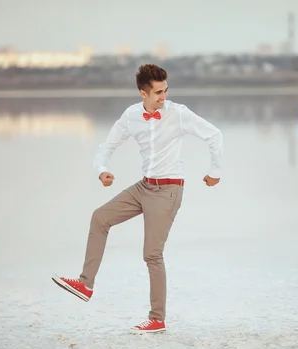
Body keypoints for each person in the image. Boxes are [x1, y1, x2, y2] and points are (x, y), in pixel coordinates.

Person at [52, 64, 223, 334]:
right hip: (144, 187)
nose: (163, 97)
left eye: (166, 90)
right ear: (142, 93)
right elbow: (107, 146)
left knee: (152, 255)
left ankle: (157, 319)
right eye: (157, 92)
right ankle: (85, 284)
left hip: (168, 190)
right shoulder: (131, 115)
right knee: (100, 217)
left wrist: (215, 172)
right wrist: (102, 170)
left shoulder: (178, 114)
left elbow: (214, 135)